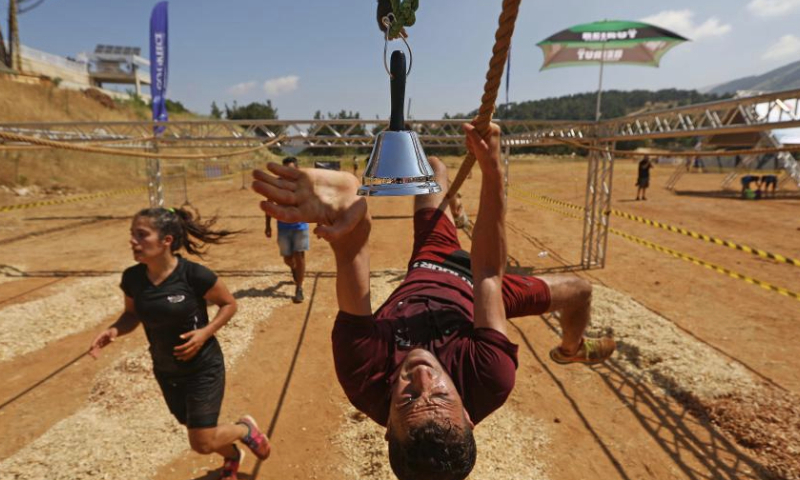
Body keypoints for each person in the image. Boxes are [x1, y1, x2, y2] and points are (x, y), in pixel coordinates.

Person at [252, 122, 615, 480]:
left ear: (388, 426)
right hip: (483, 296)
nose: (422, 375)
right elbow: (488, 271)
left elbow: (351, 255)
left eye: (408, 400)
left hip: (432, 257)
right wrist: (492, 170)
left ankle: (451, 206)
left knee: (434, 168)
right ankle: (571, 348)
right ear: (469, 416)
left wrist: (349, 215)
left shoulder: (364, 376)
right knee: (580, 291)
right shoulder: (489, 378)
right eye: (440, 397)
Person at [89, 207, 271, 480]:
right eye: (132, 234)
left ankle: (245, 430)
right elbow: (131, 314)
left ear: (167, 241)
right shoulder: (133, 278)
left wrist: (205, 333)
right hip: (166, 369)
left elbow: (228, 304)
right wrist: (115, 329)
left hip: (203, 367)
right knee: (196, 428)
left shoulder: (194, 275)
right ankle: (232, 456)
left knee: (202, 442)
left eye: (141, 235)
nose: (133, 241)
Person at [265, 157, 310, 303]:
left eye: (290, 169)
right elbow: (269, 203)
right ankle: (294, 269)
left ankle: (299, 288)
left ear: (296, 169)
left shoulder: (303, 183)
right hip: (283, 226)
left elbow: (313, 203)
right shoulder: (276, 184)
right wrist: (267, 225)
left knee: (300, 255)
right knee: (288, 259)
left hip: (300, 226)